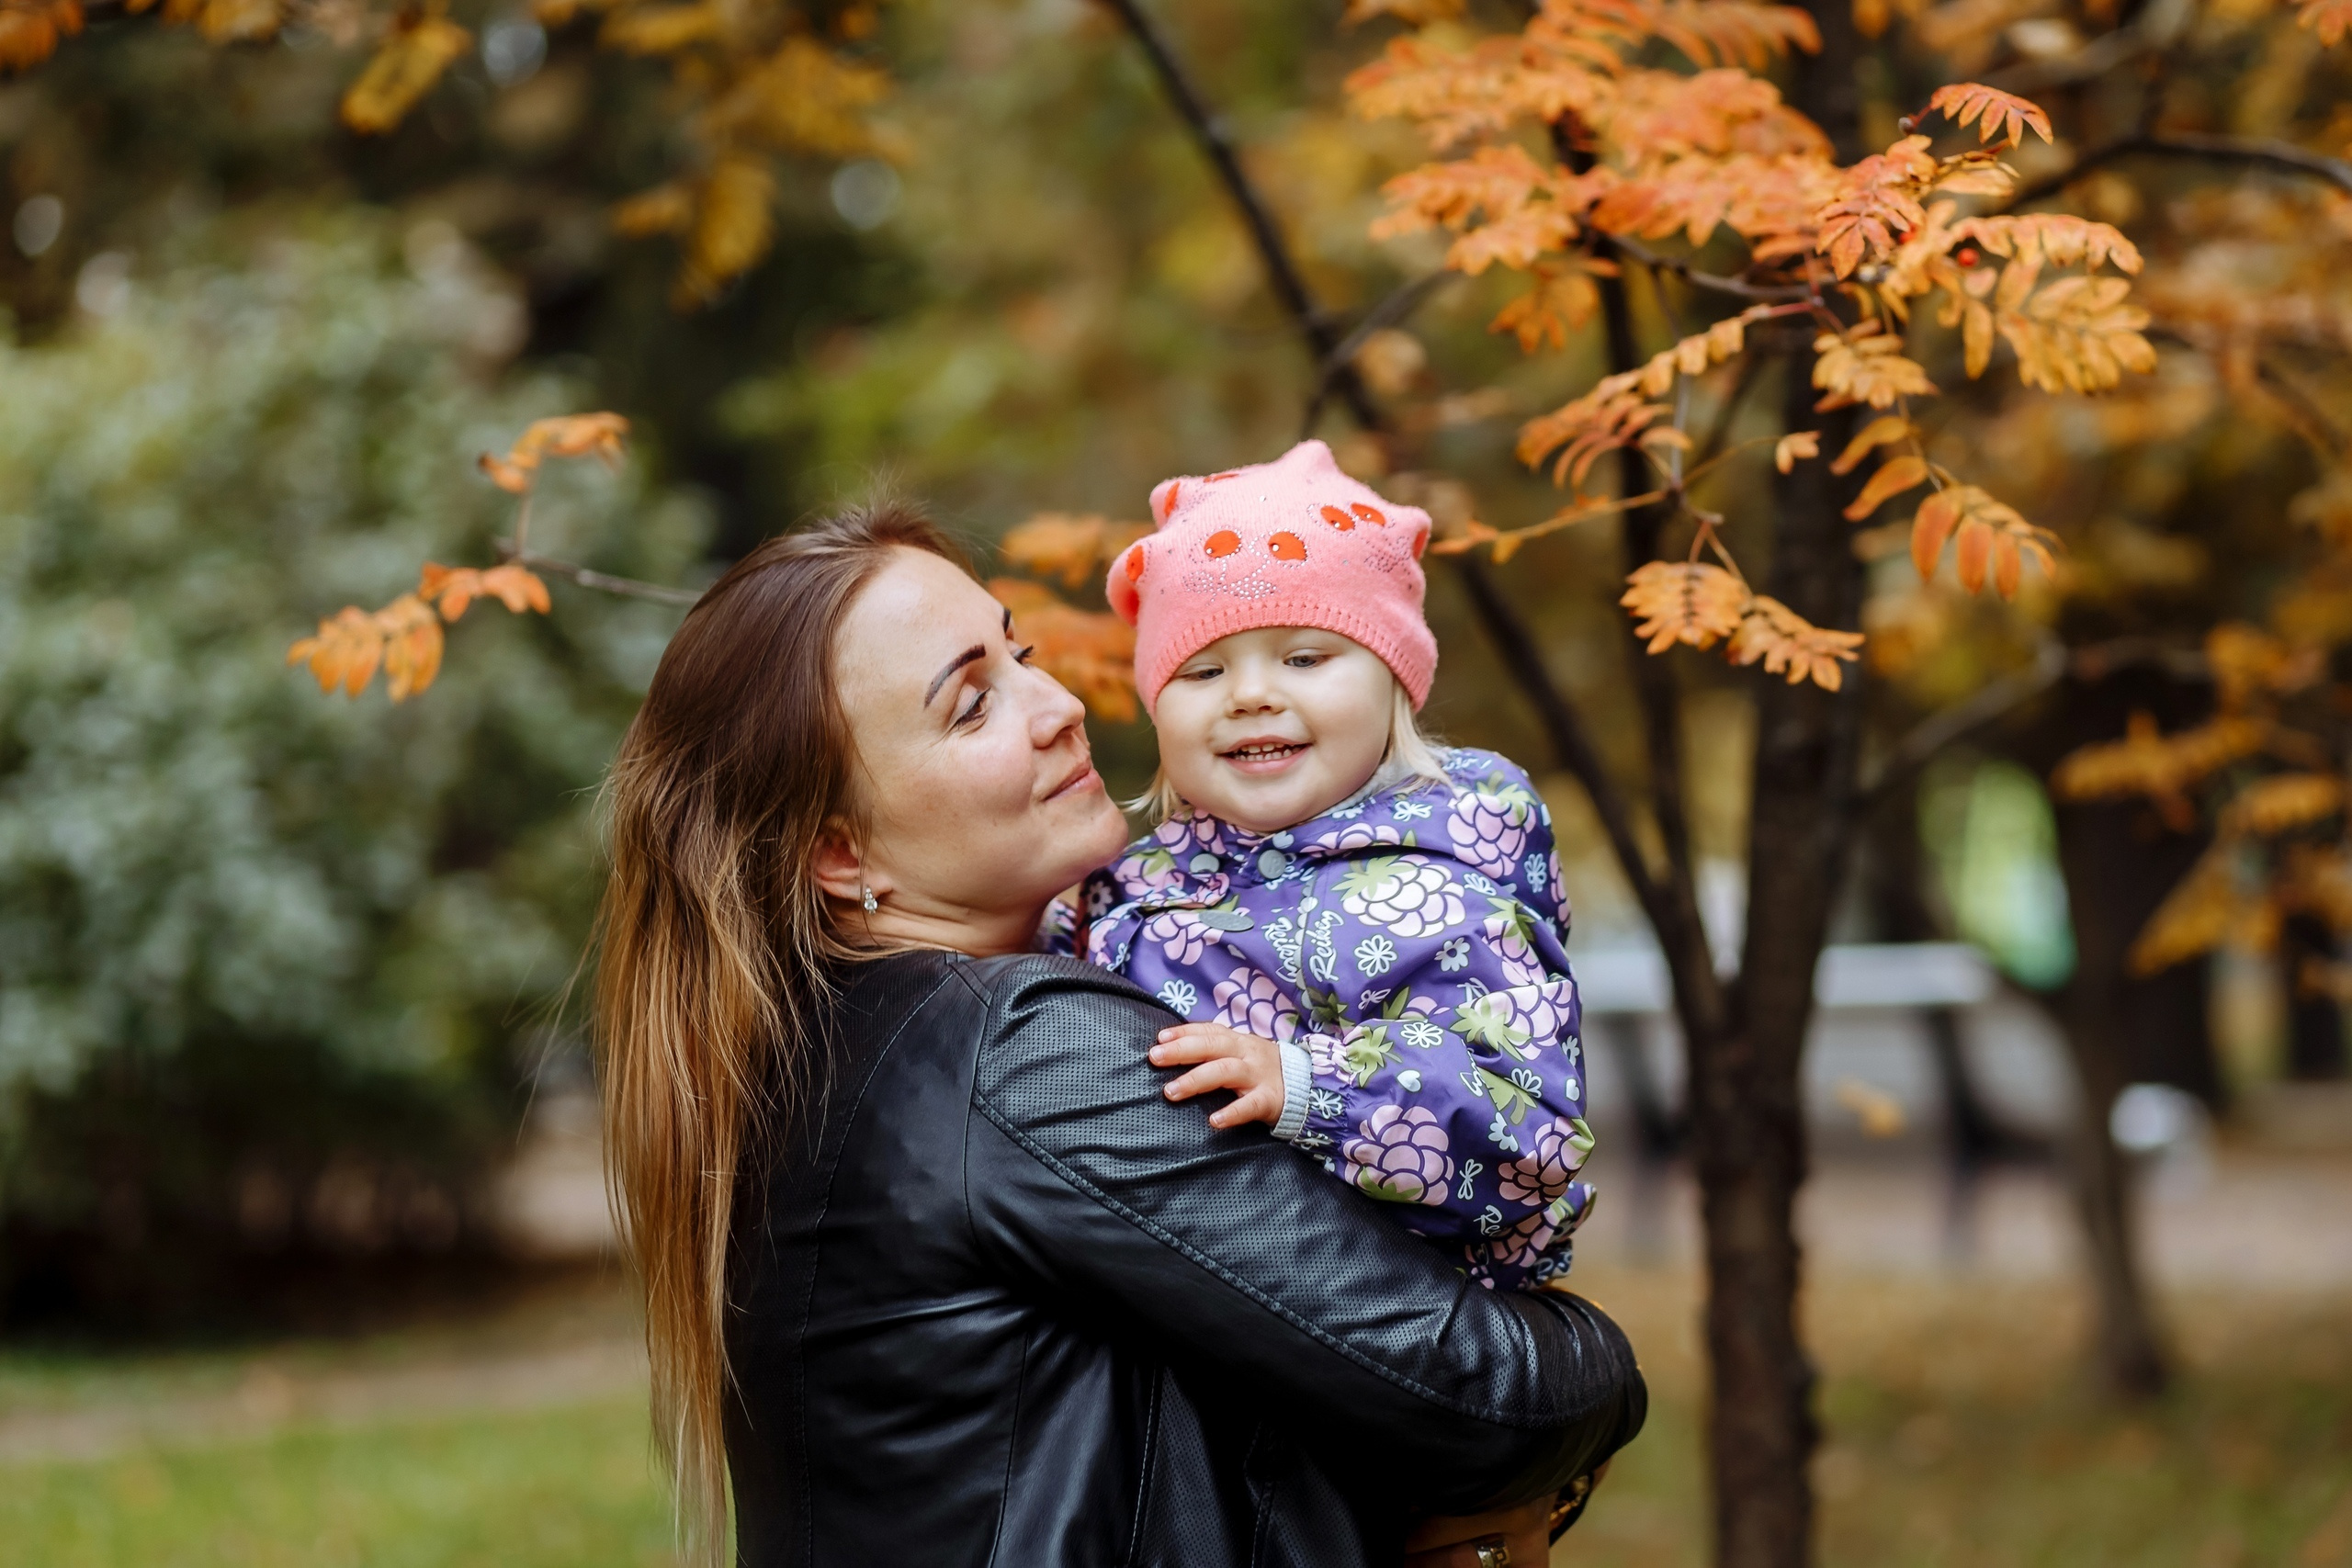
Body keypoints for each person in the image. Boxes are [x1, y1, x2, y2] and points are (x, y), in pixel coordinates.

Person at [595, 504, 1645, 1568]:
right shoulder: (1017, 1053)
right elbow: (1483, 1395)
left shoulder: (830, 1050)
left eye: (1023, 655)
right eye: (971, 706)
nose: (1058, 706)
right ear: (837, 851)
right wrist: (1599, 1360)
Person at [1080, 440, 1596, 1297]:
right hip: (1191, 1317)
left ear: (1393, 682)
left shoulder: (1438, 885)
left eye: (1305, 657)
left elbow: (1531, 1131)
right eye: (1203, 670)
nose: (1249, 693)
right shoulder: (1128, 891)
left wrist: (1310, 1086)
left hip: (1392, 1328)